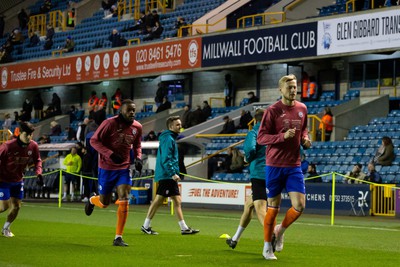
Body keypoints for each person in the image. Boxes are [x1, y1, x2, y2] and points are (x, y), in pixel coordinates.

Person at [257, 74, 311, 260]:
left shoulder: (302, 108)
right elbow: (261, 138)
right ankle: (266, 247)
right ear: (280, 90)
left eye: (295, 87)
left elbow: (304, 129)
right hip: (274, 165)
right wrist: (282, 137)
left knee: (300, 205)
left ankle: (280, 231)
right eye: (289, 87)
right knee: (273, 208)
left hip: (294, 165)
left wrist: (305, 139)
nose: (293, 90)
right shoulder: (272, 111)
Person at [86, 99, 143, 247]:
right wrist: (110, 154)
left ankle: (118, 237)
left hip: (124, 168)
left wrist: (138, 158)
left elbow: (137, 145)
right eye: (129, 110)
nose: (132, 113)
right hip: (106, 168)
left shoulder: (137, 127)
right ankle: (92, 200)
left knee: (124, 197)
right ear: (121, 111)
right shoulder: (109, 123)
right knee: (105, 203)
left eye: (134, 110)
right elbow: (94, 141)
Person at [141, 116, 199, 235]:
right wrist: (173, 173)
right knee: (163, 200)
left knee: (173, 200)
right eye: (178, 125)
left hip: (166, 174)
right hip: (167, 175)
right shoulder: (168, 139)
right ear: (171, 126)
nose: (180, 126)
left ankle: (182, 228)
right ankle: (147, 225)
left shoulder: (169, 138)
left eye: (180, 124)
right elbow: (166, 158)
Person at [226, 108, 266, 249]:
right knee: (248, 206)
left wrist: (248, 158)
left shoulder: (254, 132)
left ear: (255, 120)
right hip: (274, 174)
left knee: (260, 208)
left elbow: (250, 151)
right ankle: (235, 239)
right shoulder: (274, 132)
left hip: (260, 174)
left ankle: (273, 232)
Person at [0, 122, 43, 237]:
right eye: (26, 134)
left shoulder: (33, 146)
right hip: (3, 180)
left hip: (18, 180)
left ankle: (6, 228)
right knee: (4, 207)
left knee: (17, 206)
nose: (29, 137)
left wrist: (38, 173)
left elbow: (37, 160)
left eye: (31, 134)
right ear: (19, 133)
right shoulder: (7, 146)